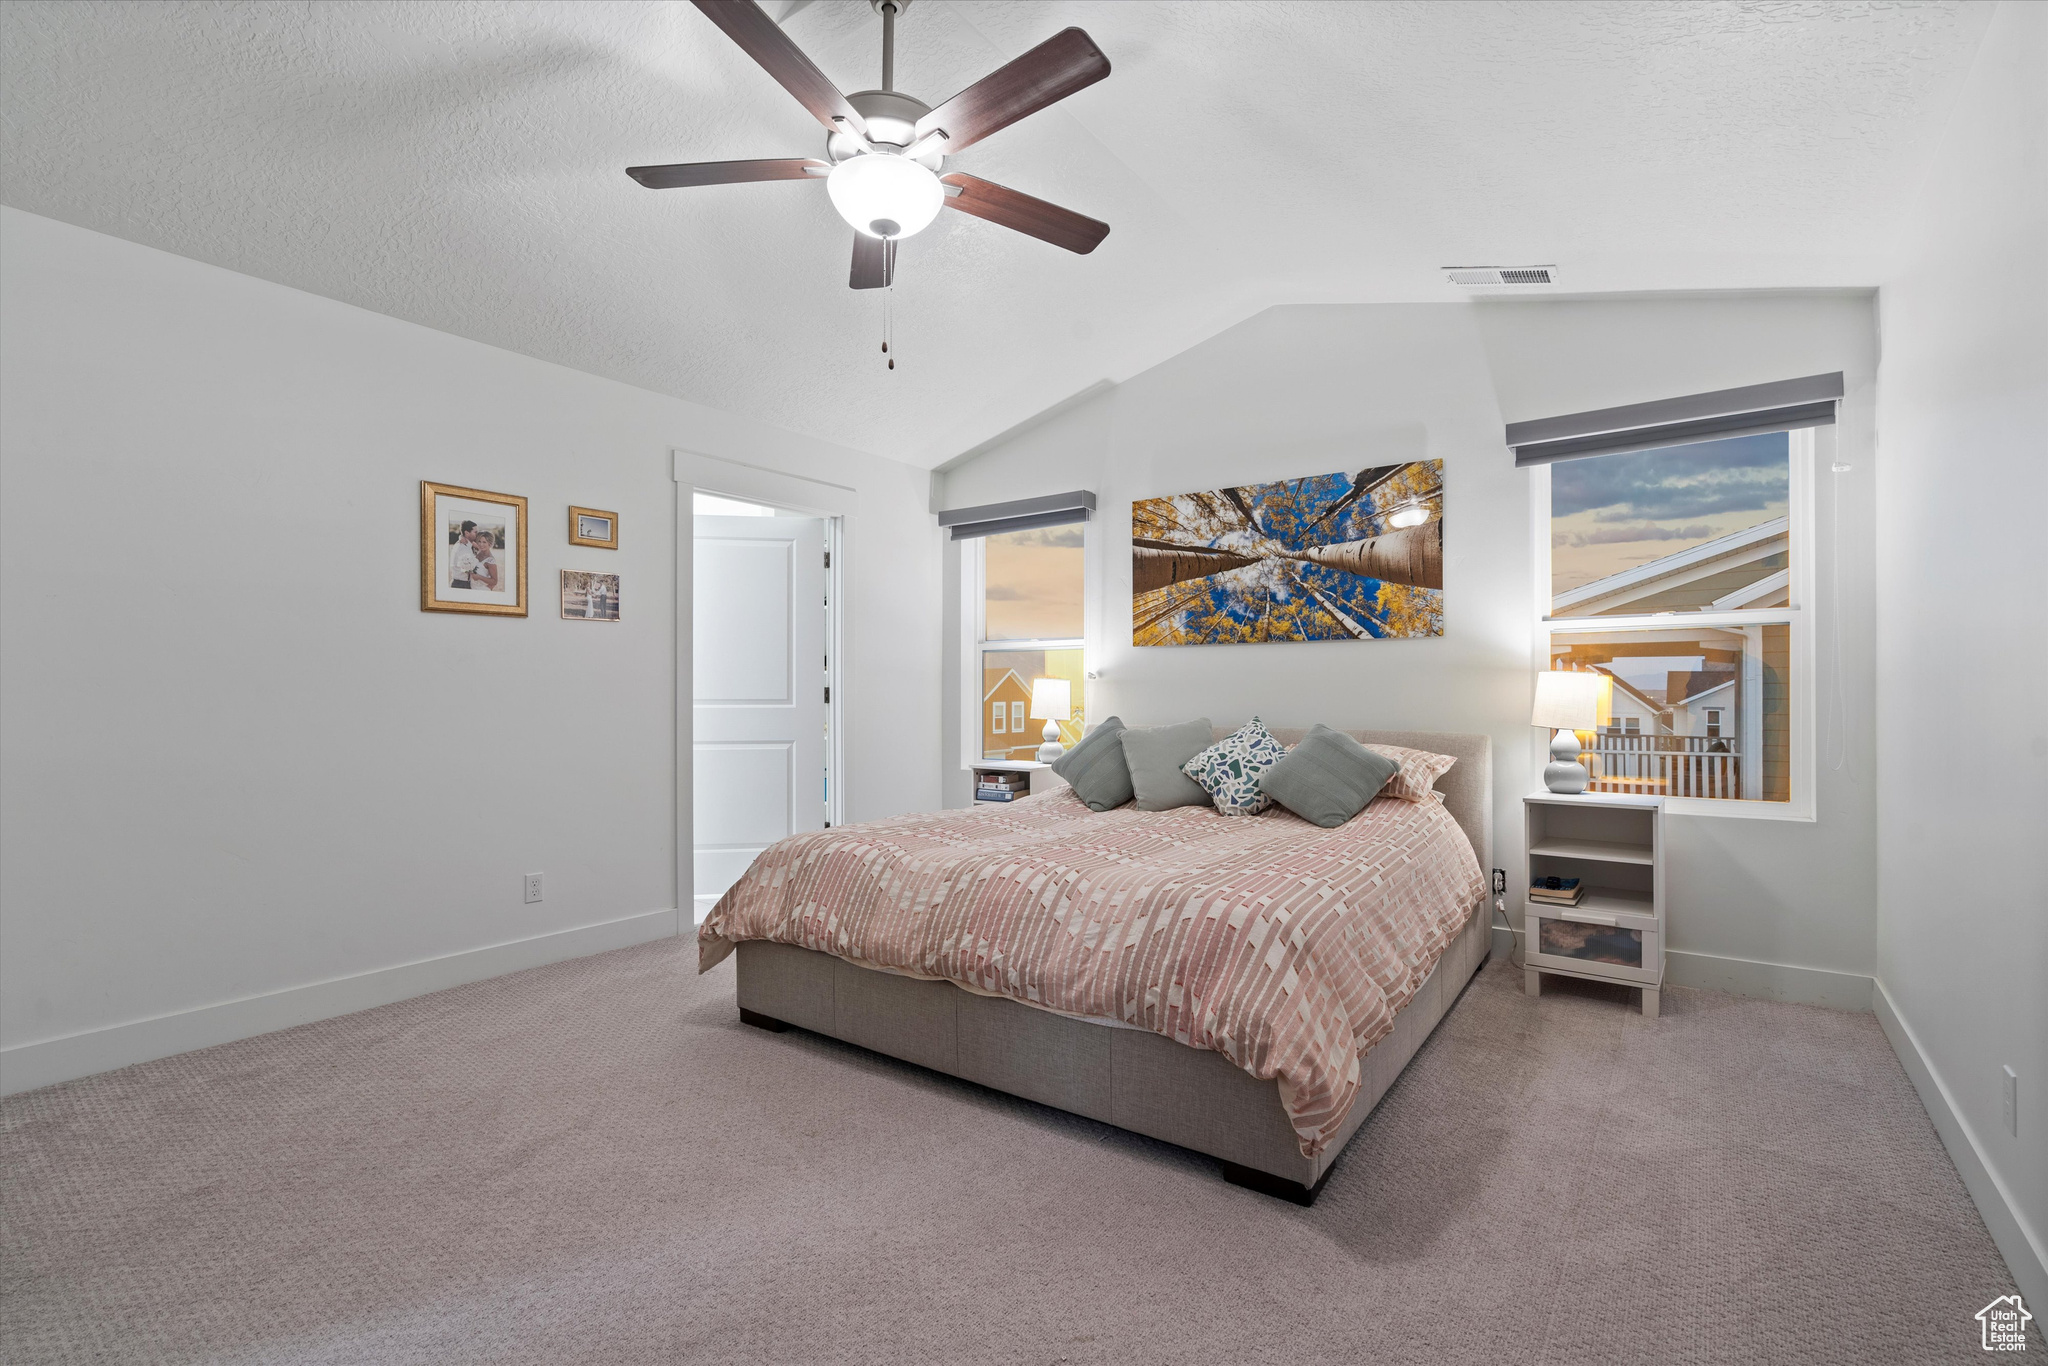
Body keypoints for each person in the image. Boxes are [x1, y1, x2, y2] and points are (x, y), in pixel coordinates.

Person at [448, 521, 480, 590]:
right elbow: (466, 570)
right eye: (475, 532)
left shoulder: (467, 546)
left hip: (463, 583)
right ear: (467, 533)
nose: (477, 534)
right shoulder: (462, 548)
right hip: (460, 585)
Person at [468, 529, 501, 593]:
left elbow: (494, 581)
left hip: (482, 590)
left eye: (484, 542)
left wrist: (479, 577)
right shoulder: (476, 554)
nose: (481, 544)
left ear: (490, 544)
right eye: (479, 541)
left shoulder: (490, 560)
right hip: (471, 588)